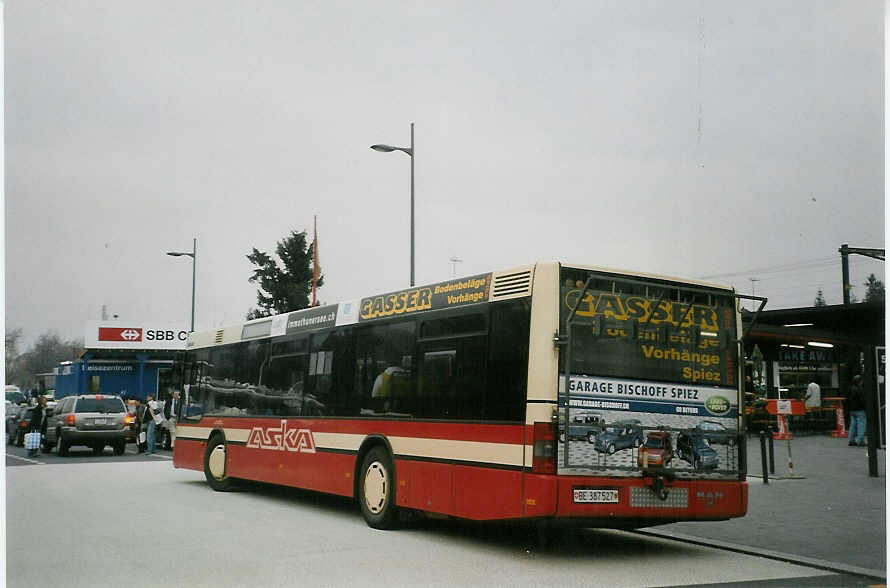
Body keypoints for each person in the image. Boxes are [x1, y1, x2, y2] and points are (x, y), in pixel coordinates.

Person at [847, 375, 866, 446]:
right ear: (860, 382)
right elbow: (862, 400)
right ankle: (860, 440)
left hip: (852, 410)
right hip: (859, 409)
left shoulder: (850, 388)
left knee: (853, 425)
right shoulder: (860, 389)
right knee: (861, 424)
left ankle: (851, 440)